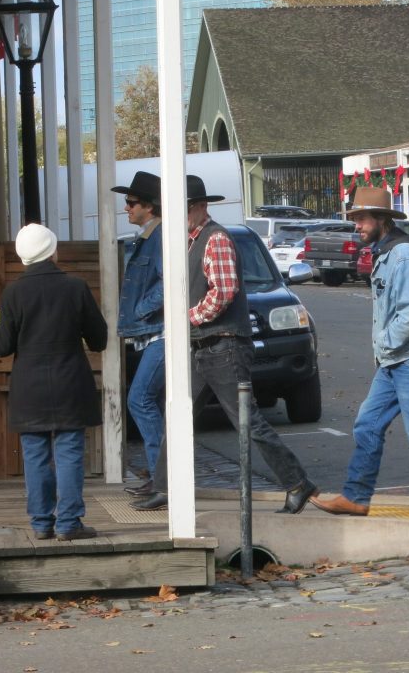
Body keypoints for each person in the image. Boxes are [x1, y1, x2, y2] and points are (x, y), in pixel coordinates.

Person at [131, 175, 318, 514]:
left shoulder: (214, 238)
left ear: (200, 207)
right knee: (179, 418)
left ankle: (297, 482)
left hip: (224, 346)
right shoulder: (191, 239)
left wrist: (188, 317)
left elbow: (224, 291)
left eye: (184, 209)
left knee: (248, 422)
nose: (179, 216)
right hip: (205, 346)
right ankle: (164, 487)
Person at [311, 186, 409, 520]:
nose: (357, 226)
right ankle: (356, 498)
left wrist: (385, 344)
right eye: (355, 219)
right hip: (397, 360)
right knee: (367, 425)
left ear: (381, 219)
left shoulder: (402, 255)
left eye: (361, 219)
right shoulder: (387, 251)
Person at [0, 223, 108, 541]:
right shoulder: (75, 288)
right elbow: (99, 339)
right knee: (69, 452)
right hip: (70, 384)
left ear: (23, 257)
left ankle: (41, 522)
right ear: (53, 252)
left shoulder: (13, 293)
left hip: (29, 388)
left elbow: (1, 346)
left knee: (34, 455)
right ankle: (69, 523)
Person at [111, 171, 166, 497]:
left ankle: (163, 479)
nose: (126, 208)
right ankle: (160, 475)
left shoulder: (158, 238)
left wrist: (141, 308)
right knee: (149, 401)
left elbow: (167, 280)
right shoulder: (148, 236)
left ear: (149, 205)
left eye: (131, 203)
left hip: (159, 332)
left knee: (139, 399)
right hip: (151, 333)